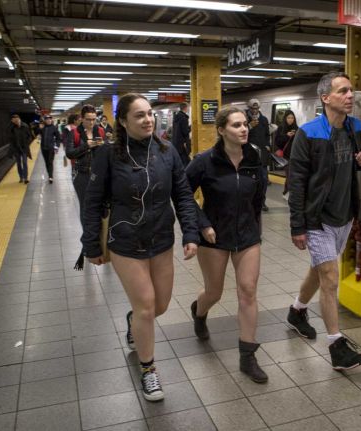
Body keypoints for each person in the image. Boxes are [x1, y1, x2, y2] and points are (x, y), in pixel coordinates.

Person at [81, 93, 199, 401]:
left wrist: (190, 233)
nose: (148, 119)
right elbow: (92, 202)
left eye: (150, 114)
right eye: (139, 115)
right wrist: (90, 243)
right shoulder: (108, 156)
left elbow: (183, 195)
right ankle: (148, 370)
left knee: (159, 306)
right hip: (125, 240)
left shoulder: (167, 150)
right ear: (123, 121)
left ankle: (133, 321)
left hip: (161, 238)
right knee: (147, 305)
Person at [285, 72, 361, 370]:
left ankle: (297, 311)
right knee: (330, 278)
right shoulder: (308, 134)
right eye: (343, 91)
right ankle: (336, 345)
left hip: (344, 216)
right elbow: (296, 184)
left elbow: (354, 164)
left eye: (352, 91)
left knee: (319, 270)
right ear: (326, 98)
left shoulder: (355, 127)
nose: (351, 96)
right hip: (317, 218)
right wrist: (297, 226)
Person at [185, 105, 269, 383]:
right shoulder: (204, 161)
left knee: (248, 291)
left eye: (245, 124)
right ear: (221, 130)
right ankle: (199, 311)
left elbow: (259, 196)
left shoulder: (255, 158)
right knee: (214, 291)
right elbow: (183, 194)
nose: (243, 128)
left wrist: (255, 226)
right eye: (236, 125)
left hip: (247, 235)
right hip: (214, 237)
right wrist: (202, 223)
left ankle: (247, 356)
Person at [65, 105, 107, 270]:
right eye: (88, 119)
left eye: (93, 119)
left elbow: (106, 152)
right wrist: (86, 146)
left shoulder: (101, 131)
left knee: (102, 206)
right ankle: (88, 242)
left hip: (98, 174)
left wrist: (103, 145)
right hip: (81, 175)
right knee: (86, 207)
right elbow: (69, 153)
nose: (91, 122)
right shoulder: (74, 133)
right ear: (81, 118)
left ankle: (101, 237)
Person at [246, 98, 271, 211]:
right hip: (249, 153)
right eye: (252, 108)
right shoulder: (245, 119)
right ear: (249, 108)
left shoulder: (264, 120)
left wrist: (267, 145)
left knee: (264, 179)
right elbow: (240, 133)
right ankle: (249, 201)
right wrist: (249, 126)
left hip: (262, 154)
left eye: (256, 108)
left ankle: (262, 202)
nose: (255, 111)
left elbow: (267, 134)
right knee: (249, 179)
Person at [274, 110, 298, 199]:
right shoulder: (281, 128)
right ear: (285, 118)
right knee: (289, 174)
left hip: (295, 155)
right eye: (288, 118)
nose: (291, 120)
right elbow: (277, 142)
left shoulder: (297, 128)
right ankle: (286, 193)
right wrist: (286, 136)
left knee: (292, 175)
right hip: (285, 156)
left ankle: (287, 192)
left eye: (292, 118)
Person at [7, 114, 33, 184]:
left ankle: (25, 178)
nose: (15, 122)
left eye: (16, 121)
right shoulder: (12, 127)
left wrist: (27, 143)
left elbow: (29, 136)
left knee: (24, 162)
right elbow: (10, 137)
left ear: (19, 119)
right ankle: (21, 177)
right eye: (13, 121)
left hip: (24, 148)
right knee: (18, 163)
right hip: (16, 148)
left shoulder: (25, 126)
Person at [39, 115, 62, 184]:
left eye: (50, 119)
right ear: (45, 121)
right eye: (47, 119)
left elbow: (58, 138)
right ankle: (49, 174)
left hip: (51, 148)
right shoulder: (43, 128)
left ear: (51, 120)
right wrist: (40, 128)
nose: (48, 120)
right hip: (43, 148)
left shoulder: (54, 128)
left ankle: (50, 176)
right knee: (46, 162)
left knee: (50, 162)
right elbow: (37, 134)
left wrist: (57, 146)